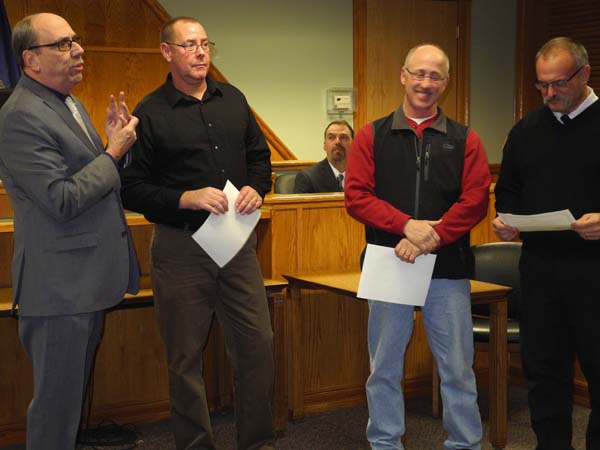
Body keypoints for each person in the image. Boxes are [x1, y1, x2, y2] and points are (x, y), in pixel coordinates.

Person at [119, 17, 275, 450]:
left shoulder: (233, 99)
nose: (201, 52)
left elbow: (260, 158)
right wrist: (185, 198)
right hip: (181, 248)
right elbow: (131, 188)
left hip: (237, 245)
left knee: (258, 345)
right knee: (184, 357)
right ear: (167, 52)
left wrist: (256, 188)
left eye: (205, 43)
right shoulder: (150, 112)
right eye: (189, 45)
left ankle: (258, 442)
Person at [0, 12, 140, 450]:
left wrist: (113, 145)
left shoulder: (68, 102)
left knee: (68, 406)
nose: (78, 49)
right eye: (62, 44)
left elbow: (90, 174)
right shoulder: (20, 116)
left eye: (75, 40)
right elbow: (61, 199)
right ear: (30, 59)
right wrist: (112, 154)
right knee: (55, 413)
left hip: (84, 280)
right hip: (59, 288)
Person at [345, 43, 491, 450]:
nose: (426, 83)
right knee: (384, 368)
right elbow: (357, 197)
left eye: (435, 76)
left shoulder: (466, 139)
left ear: (446, 83)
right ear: (403, 76)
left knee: (457, 368)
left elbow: (476, 201)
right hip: (388, 262)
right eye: (419, 73)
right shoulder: (371, 135)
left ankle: (464, 444)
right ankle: (385, 443)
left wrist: (433, 237)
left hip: (448, 268)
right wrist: (406, 226)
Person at [493, 37, 600, 450]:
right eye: (542, 84)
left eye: (559, 83)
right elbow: (508, 190)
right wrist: (506, 220)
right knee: (544, 372)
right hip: (540, 272)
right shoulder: (526, 130)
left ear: (584, 74)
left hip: (594, 273)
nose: (550, 93)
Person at [293, 119, 353, 193]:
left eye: (343, 137)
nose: (337, 141)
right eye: (331, 137)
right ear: (325, 145)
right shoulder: (308, 178)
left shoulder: (363, 175)